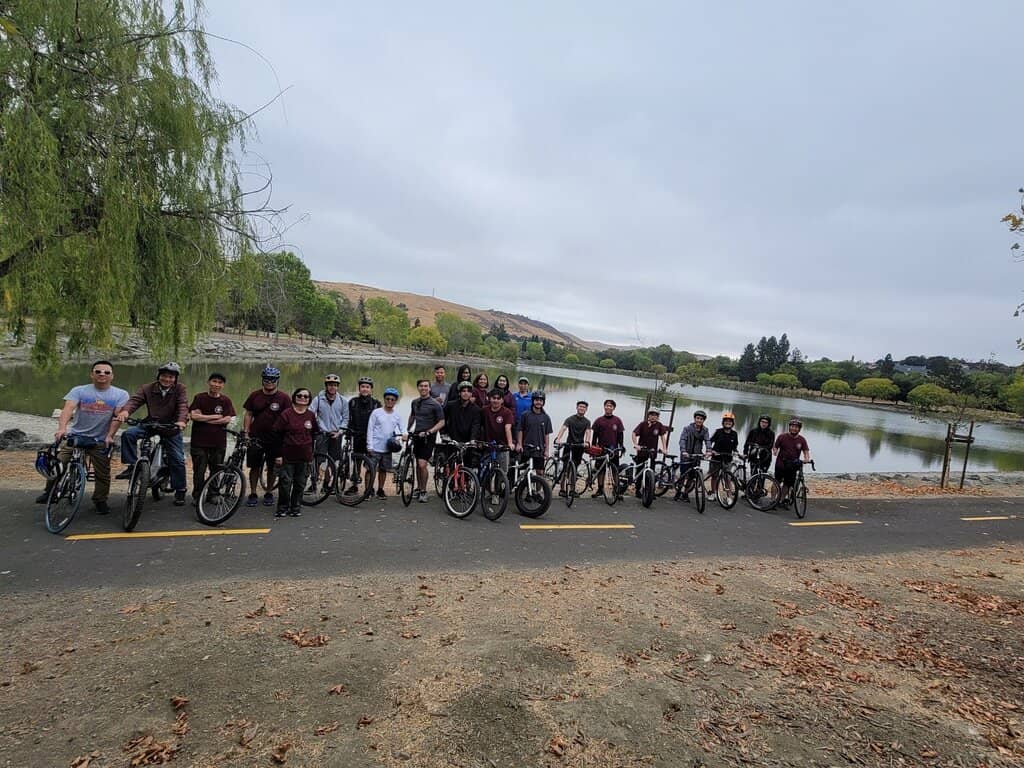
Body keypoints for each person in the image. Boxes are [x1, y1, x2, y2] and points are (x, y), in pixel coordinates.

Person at [35, 361, 129, 515]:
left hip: (99, 439)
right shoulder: (79, 390)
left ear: (112, 376)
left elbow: (117, 416)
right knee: (58, 462)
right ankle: (49, 491)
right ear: (91, 374)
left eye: (106, 372)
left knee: (102, 471)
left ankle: (100, 500)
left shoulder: (120, 394)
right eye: (98, 372)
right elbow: (68, 409)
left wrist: (109, 436)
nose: (102, 375)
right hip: (76, 436)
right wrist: (62, 429)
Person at [114, 362, 189, 506]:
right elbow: (134, 401)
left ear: (175, 379)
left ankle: (180, 489)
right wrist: (125, 411)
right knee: (128, 434)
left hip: (171, 427)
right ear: (158, 376)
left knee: (177, 458)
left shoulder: (180, 389)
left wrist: (180, 421)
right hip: (151, 423)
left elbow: (183, 406)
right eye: (164, 376)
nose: (167, 379)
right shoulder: (147, 388)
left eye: (171, 377)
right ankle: (131, 466)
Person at [241, 366, 291, 507]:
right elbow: (248, 414)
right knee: (254, 467)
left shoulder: (284, 397)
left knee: (272, 467)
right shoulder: (254, 395)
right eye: (267, 379)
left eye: (273, 380)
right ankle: (253, 492)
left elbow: (288, 418)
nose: (270, 382)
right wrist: (246, 432)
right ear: (262, 380)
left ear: (277, 381)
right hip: (256, 437)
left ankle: (269, 491)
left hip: (275, 440)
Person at [188, 372, 236, 505]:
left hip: (218, 442)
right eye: (214, 381)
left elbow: (227, 418)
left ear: (223, 385)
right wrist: (215, 417)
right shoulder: (199, 398)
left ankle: (213, 494)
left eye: (220, 382)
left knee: (216, 469)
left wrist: (204, 418)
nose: (216, 384)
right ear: (208, 382)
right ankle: (198, 495)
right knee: (199, 470)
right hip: (199, 442)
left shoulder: (225, 401)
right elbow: (194, 416)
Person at [271, 387, 319, 517]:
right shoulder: (286, 414)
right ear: (294, 397)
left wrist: (311, 453)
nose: (302, 398)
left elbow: (314, 434)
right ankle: (282, 508)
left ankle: (295, 507)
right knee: (285, 484)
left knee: (300, 483)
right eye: (299, 396)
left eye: (306, 396)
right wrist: (278, 455)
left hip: (304, 456)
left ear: (309, 400)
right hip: (287, 455)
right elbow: (276, 435)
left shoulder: (310, 415)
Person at [408, 379, 445, 502]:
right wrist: (407, 430)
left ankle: (424, 491)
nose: (423, 388)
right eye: (421, 386)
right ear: (418, 388)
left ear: (429, 388)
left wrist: (430, 431)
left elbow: (442, 422)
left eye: (426, 386)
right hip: (417, 436)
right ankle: (419, 488)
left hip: (428, 438)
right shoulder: (415, 402)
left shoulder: (435, 404)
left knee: (422, 464)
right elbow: (412, 416)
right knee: (418, 464)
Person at [367, 387, 407, 499]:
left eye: (392, 399)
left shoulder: (397, 415)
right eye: (388, 399)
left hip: (387, 448)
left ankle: (380, 489)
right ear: (384, 399)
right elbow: (370, 429)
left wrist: (404, 434)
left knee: (383, 470)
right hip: (375, 447)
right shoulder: (376, 413)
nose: (390, 401)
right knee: (370, 470)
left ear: (395, 401)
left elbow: (403, 427)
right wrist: (369, 445)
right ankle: (368, 490)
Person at [345, 376, 381, 495]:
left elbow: (380, 422)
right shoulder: (353, 402)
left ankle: (369, 488)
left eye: (367, 387)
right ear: (359, 388)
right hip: (357, 436)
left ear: (371, 389)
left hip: (371, 438)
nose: (365, 389)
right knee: (356, 462)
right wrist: (348, 432)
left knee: (370, 464)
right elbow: (348, 419)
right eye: (362, 387)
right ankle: (354, 486)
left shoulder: (376, 404)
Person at [554, 401, 592, 495]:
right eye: (580, 406)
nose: (582, 408)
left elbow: (588, 432)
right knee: (565, 468)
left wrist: (587, 442)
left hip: (579, 447)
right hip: (569, 445)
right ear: (577, 407)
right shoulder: (570, 419)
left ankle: (572, 490)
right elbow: (563, 428)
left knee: (574, 469)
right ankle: (562, 489)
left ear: (586, 409)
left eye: (584, 407)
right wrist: (558, 439)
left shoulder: (587, 422)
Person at [589, 399, 624, 498]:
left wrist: (621, 446)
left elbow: (621, 434)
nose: (608, 407)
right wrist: (593, 447)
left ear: (613, 408)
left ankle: (616, 490)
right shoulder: (599, 420)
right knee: (600, 470)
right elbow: (594, 435)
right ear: (604, 407)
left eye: (611, 406)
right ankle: (600, 489)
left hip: (613, 449)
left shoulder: (617, 420)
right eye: (607, 405)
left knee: (615, 470)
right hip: (601, 449)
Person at [309, 373, 349, 461]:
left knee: (334, 461)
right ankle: (319, 474)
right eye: (330, 385)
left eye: (335, 385)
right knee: (319, 460)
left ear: (337, 387)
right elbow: (310, 414)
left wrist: (340, 432)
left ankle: (331, 474)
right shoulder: (318, 399)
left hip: (336, 434)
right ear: (326, 386)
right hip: (322, 434)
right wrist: (316, 426)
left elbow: (346, 419)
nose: (332, 387)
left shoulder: (343, 401)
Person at [674, 410, 711, 502]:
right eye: (697, 418)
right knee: (683, 474)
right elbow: (682, 440)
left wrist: (708, 450)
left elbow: (707, 441)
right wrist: (683, 451)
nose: (699, 420)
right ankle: (678, 491)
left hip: (697, 455)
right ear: (694, 419)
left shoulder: (705, 430)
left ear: (703, 420)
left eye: (701, 419)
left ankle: (685, 493)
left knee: (692, 476)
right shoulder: (687, 428)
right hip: (686, 454)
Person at [773, 417, 811, 507]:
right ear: (789, 427)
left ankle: (781, 500)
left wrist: (807, 458)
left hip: (793, 465)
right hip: (781, 463)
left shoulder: (802, 440)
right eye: (792, 426)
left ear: (799, 429)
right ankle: (772, 500)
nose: (794, 428)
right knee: (776, 482)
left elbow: (805, 451)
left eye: (796, 427)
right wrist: (775, 451)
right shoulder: (782, 436)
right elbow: (775, 446)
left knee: (787, 484)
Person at [515, 390, 552, 471]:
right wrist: (519, 444)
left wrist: (546, 450)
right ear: (533, 401)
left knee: (540, 473)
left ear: (543, 402)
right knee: (522, 470)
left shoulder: (546, 417)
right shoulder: (525, 415)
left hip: (539, 450)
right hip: (526, 448)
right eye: (536, 400)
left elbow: (547, 435)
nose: (538, 402)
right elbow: (520, 430)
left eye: (541, 400)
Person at [481, 388, 515, 471]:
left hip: (502, 446)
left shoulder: (507, 412)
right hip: (488, 446)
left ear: (502, 400)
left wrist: (510, 443)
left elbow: (508, 428)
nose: (496, 400)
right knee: (485, 471)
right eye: (494, 398)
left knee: (502, 473)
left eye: (498, 398)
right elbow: (479, 425)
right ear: (489, 399)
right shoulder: (484, 410)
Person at [707, 411, 739, 492]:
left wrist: (736, 452)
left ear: (732, 423)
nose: (728, 423)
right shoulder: (718, 431)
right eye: (726, 421)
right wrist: (711, 451)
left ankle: (728, 496)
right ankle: (713, 493)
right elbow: (709, 442)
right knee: (714, 476)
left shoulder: (734, 434)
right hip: (716, 457)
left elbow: (735, 446)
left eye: (730, 421)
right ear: (723, 422)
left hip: (727, 458)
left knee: (727, 477)